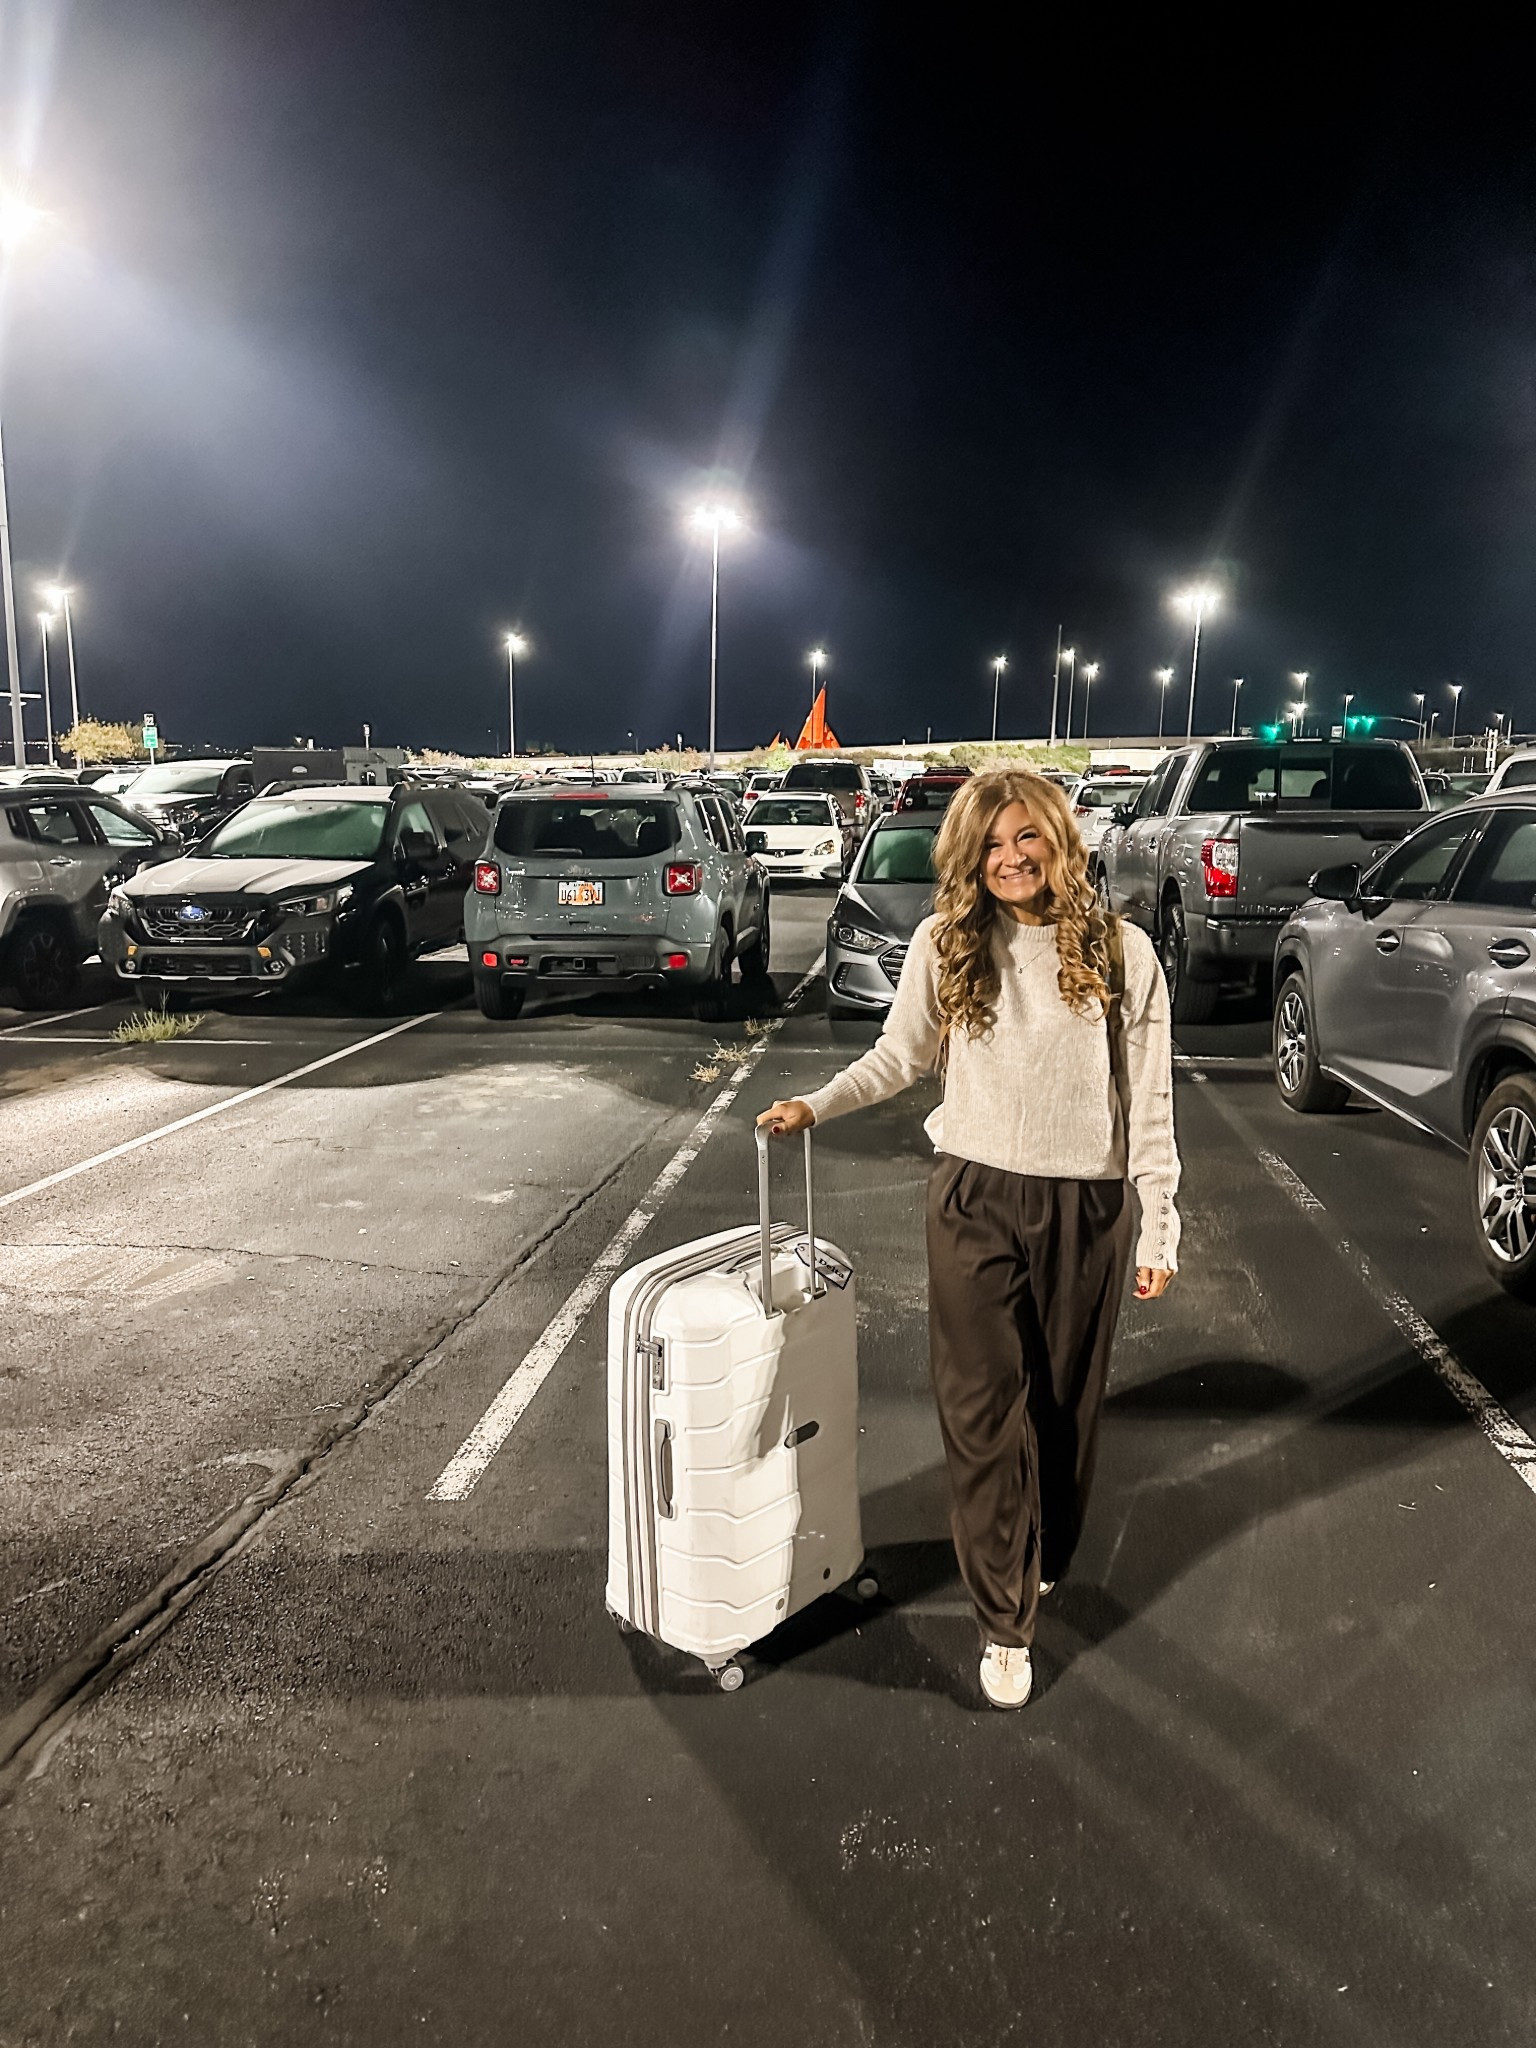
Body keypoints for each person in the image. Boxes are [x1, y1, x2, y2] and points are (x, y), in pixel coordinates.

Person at [757, 768, 1179, 1710]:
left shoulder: (1122, 952)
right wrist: (814, 1105)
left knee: (1063, 1413)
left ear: (1060, 841)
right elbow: (898, 1059)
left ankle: (1044, 1553)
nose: (1010, 858)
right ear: (968, 858)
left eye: (1026, 837)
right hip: (973, 1200)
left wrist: (1159, 1223)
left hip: (1088, 1207)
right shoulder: (947, 945)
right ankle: (1002, 1623)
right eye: (990, 845)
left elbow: (1148, 1103)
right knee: (982, 1413)